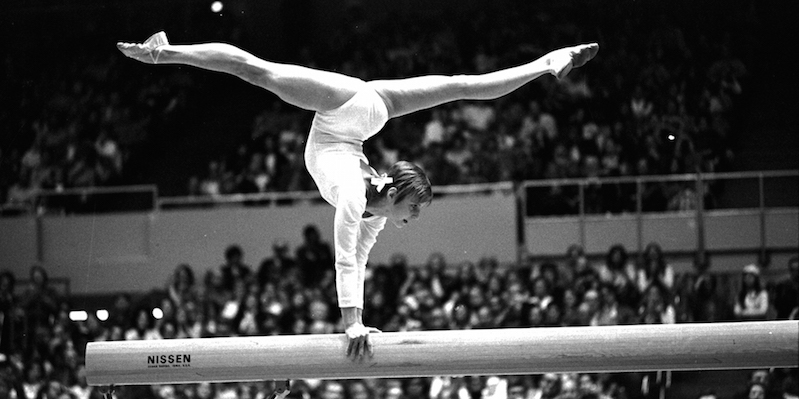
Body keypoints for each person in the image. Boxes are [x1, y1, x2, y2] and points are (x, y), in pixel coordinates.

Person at [117, 31, 599, 360]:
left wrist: (359, 321)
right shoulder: (353, 193)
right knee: (255, 70)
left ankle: (549, 61)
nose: (413, 218)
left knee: (460, 86)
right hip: (347, 111)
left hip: (360, 121)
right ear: (400, 193)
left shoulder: (371, 209)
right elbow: (344, 258)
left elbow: (358, 258)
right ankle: (165, 52)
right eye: (416, 208)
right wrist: (351, 323)